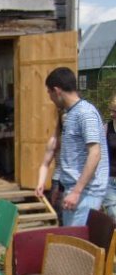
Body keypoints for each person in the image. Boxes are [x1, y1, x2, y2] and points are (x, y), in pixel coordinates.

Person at [45, 67, 108, 226]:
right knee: (69, 238)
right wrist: (62, 187)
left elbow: (95, 154)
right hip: (74, 191)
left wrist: (77, 191)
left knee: (75, 241)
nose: (50, 98)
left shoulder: (85, 113)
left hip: (85, 194)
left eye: (49, 93)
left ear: (57, 91)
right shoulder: (71, 114)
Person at [34, 112, 64, 224]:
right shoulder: (55, 141)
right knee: (60, 214)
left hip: (77, 181)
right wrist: (40, 183)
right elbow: (45, 164)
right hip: (58, 181)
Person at [102, 94, 116, 220]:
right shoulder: (106, 128)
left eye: (115, 111)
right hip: (110, 178)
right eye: (112, 110)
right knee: (113, 212)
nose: (112, 114)